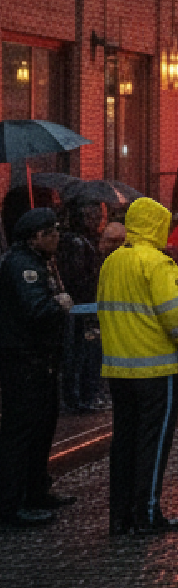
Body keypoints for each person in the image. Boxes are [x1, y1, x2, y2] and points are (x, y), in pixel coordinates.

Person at [97, 198, 178, 535]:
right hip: (157, 370)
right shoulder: (158, 264)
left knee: (124, 441)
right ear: (156, 225)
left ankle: (119, 516)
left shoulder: (112, 263)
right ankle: (147, 514)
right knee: (153, 444)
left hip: (119, 370)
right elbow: (175, 317)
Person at [0, 208, 76, 528]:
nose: (57, 237)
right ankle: (11, 504)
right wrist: (57, 303)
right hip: (24, 361)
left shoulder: (39, 261)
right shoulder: (21, 265)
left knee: (43, 428)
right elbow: (34, 309)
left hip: (41, 360)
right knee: (21, 433)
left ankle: (36, 491)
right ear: (36, 237)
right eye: (52, 232)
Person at [57, 201, 107, 413]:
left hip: (83, 306)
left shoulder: (82, 241)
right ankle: (79, 397)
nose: (97, 221)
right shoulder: (78, 243)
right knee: (81, 354)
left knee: (83, 353)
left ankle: (81, 396)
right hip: (82, 307)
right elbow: (80, 278)